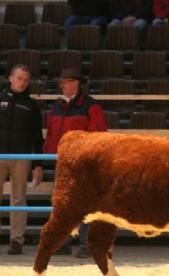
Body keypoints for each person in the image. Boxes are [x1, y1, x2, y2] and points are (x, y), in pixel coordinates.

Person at [0, 64, 44, 256]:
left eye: (26, 79)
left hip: (21, 157)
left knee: (18, 200)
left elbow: (37, 137)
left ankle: (16, 241)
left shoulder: (31, 105)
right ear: (10, 78)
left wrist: (37, 164)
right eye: (19, 78)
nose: (22, 82)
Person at [43, 67, 107, 258]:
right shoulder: (56, 107)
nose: (63, 86)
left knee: (86, 204)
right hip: (60, 162)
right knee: (63, 204)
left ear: (76, 83)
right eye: (62, 83)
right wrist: (46, 158)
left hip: (82, 164)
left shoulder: (91, 106)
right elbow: (51, 135)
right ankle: (63, 240)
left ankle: (88, 242)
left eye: (66, 82)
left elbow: (98, 135)